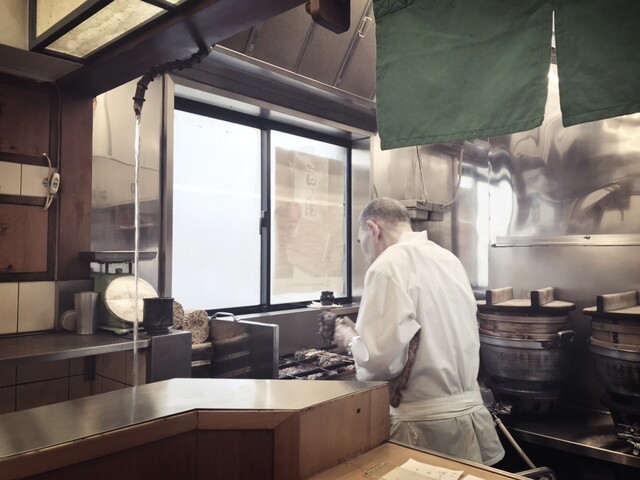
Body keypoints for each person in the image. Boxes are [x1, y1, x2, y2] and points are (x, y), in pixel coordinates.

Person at [333, 197, 505, 466]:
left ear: (373, 229)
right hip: (468, 422)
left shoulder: (387, 265)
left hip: (422, 431)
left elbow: (379, 363)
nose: (363, 250)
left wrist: (351, 339)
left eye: (360, 240)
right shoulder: (448, 259)